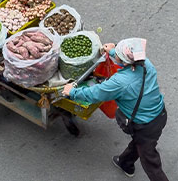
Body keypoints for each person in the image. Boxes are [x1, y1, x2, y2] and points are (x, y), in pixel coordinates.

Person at [62, 38, 169, 181]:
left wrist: (72, 92)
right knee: (141, 143)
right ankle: (125, 163)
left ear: (125, 62)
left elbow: (94, 94)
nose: (115, 54)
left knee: (151, 162)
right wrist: (112, 51)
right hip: (160, 115)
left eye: (117, 53)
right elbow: (126, 58)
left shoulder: (120, 82)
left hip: (145, 125)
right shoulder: (146, 64)